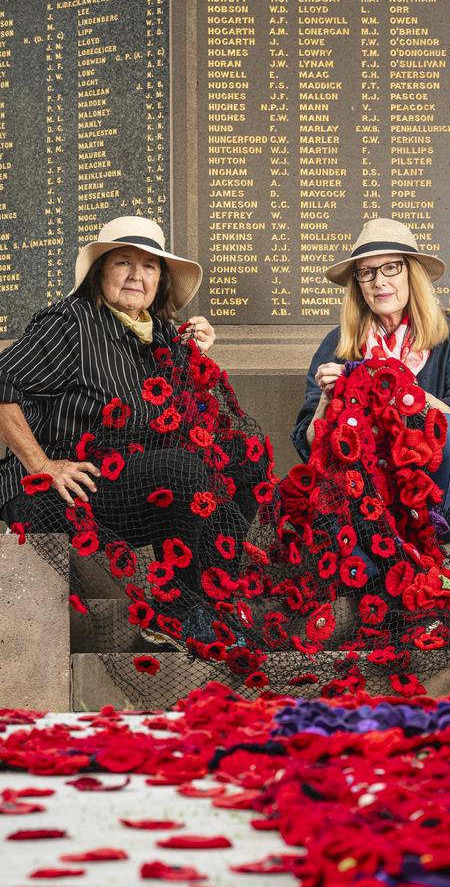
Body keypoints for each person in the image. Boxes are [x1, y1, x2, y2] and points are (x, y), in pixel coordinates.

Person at [0, 216, 264, 644]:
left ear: (160, 281)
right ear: (101, 272)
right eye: (124, 262)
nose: (136, 276)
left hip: (129, 483)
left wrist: (194, 360)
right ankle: (175, 610)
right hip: (60, 490)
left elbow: (180, 425)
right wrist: (43, 464)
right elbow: (3, 385)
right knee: (182, 469)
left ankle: (210, 600)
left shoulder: (160, 334)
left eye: (149, 266)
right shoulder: (71, 322)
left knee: (246, 457)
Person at [292, 218, 450, 543]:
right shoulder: (338, 344)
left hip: (446, 508)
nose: (378, 282)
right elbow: (310, 444)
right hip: (369, 508)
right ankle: (388, 542)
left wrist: (388, 381)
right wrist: (329, 398)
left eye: (391, 268)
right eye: (366, 272)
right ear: (357, 283)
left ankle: (420, 536)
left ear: (412, 273)